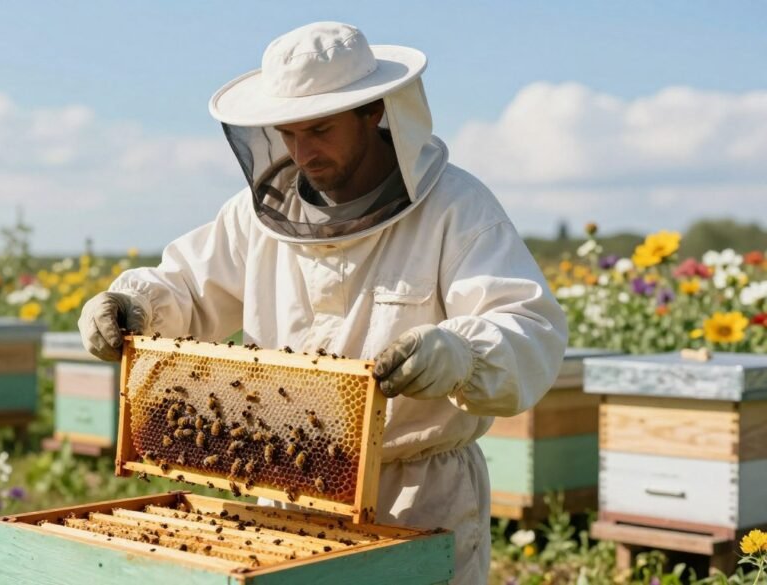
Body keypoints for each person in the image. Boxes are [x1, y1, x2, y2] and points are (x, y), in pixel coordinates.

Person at [79, 21, 567, 584]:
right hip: (285, 487)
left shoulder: (457, 209)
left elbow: (528, 326)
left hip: (416, 496)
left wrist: (460, 352)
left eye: (320, 129)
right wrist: (132, 305)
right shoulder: (256, 214)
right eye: (287, 133)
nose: (302, 152)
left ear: (375, 112)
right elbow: (188, 288)